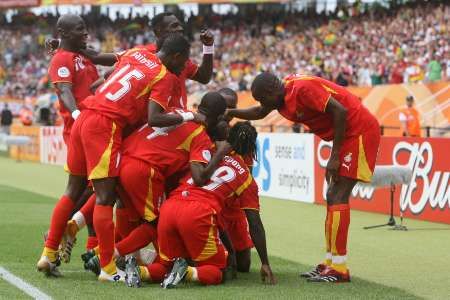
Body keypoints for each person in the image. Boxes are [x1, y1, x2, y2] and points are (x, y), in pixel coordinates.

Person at [37, 33, 193, 282]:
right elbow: (154, 118)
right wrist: (187, 116)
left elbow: (106, 75)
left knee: (73, 190)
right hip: (106, 125)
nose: (184, 67)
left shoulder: (136, 52)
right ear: (176, 56)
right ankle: (108, 268)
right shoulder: (165, 76)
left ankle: (49, 251)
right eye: (184, 61)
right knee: (106, 196)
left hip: (86, 116)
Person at [227, 72, 381, 283]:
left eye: (262, 99)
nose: (262, 104)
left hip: (358, 132)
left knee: (337, 194)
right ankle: (331, 263)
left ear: (271, 91)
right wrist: (231, 112)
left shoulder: (302, 89)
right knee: (332, 194)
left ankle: (340, 267)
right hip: (347, 135)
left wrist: (334, 156)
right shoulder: (280, 96)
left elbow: (340, 111)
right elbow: (259, 112)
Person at [75, 92, 229, 275]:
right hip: (142, 170)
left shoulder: (177, 112)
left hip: (122, 158)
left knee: (127, 211)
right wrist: (220, 153)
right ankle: (106, 255)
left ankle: (96, 244)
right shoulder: (200, 134)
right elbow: (199, 177)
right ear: (219, 117)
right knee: (157, 224)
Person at [124, 122, 276, 288]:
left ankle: (138, 271)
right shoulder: (246, 178)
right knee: (218, 270)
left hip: (170, 207)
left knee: (165, 265)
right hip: (198, 212)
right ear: (251, 149)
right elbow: (254, 223)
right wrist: (265, 263)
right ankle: (186, 272)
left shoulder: (206, 153)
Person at [47, 12, 214, 110]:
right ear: (158, 31)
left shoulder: (180, 58)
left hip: (176, 118)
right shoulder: (140, 53)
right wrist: (63, 44)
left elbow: (205, 77)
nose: (180, 29)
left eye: (179, 25)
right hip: (150, 123)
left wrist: (208, 47)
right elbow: (97, 57)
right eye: (174, 26)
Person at [47, 14, 99, 145]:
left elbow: (101, 56)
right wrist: (77, 115)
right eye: (80, 29)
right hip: (79, 129)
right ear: (64, 33)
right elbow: (64, 90)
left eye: (85, 28)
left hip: (96, 124)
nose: (86, 33)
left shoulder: (84, 53)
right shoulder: (61, 58)